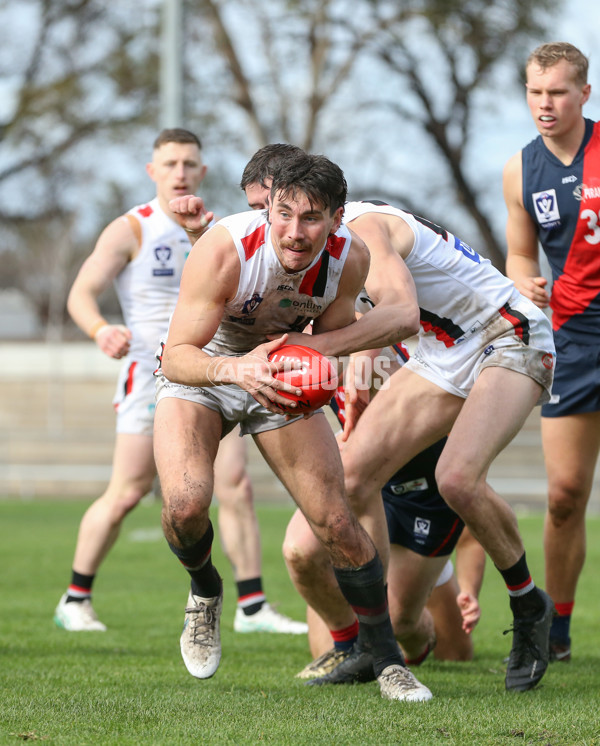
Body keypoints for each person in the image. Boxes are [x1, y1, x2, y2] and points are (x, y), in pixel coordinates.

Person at [153, 150, 433, 701]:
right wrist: (233, 368)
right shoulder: (226, 248)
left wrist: (333, 381)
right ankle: (206, 591)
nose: (295, 231)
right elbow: (176, 355)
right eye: (283, 214)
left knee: (337, 523)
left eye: (311, 218)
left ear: (336, 217)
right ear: (268, 209)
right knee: (185, 505)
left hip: (279, 373)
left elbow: (327, 340)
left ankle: (387, 663)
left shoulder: (349, 259)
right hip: (206, 370)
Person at [276, 197, 556, 693]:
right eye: (270, 213)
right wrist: (360, 354)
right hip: (441, 352)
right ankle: (376, 645)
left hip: (508, 331)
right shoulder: (305, 247)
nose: (286, 230)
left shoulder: (363, 229)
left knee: (457, 479)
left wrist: (321, 349)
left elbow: (401, 312)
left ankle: (529, 603)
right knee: (353, 477)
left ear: (331, 213)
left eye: (300, 216)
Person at [54, 128, 306, 636]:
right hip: (151, 372)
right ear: (153, 171)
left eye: (190, 163)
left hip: (214, 370)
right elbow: (81, 293)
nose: (181, 172)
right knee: (128, 491)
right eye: (170, 164)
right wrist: (101, 329)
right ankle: (75, 596)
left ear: (203, 171)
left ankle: (252, 605)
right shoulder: (131, 229)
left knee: (234, 485)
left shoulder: (222, 227)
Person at [283, 346, 485, 679]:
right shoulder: (315, 335)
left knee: (413, 628)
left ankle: (428, 589)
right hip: (357, 477)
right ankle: (350, 644)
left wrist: (470, 589)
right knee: (301, 553)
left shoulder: (419, 344)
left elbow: (472, 496)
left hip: (421, 492)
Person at [503, 41, 600, 663]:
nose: (546, 103)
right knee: (565, 494)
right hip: (572, 340)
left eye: (558, 92)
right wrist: (520, 279)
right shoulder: (519, 169)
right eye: (536, 92)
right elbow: (518, 253)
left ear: (584, 94)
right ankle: (557, 628)